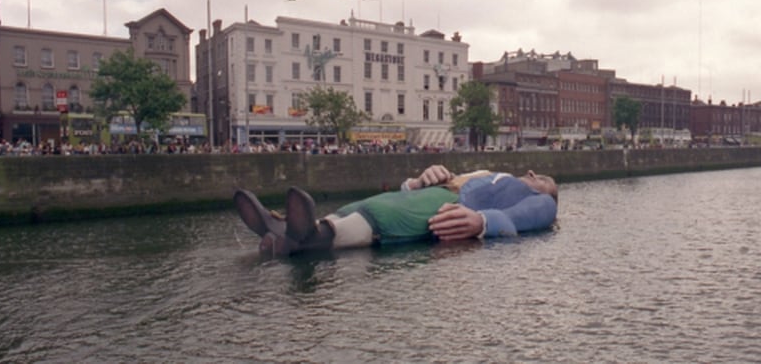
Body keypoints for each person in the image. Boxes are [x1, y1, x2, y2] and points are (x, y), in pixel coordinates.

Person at [233, 164, 558, 256]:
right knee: (373, 204)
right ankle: (284, 229)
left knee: (386, 216)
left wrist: (482, 221)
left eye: (545, 181)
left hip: (446, 206)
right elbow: (440, 182)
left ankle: (314, 236)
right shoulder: (485, 173)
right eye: (536, 174)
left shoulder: (535, 197)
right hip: (434, 191)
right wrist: (422, 178)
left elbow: (538, 213)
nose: (534, 177)